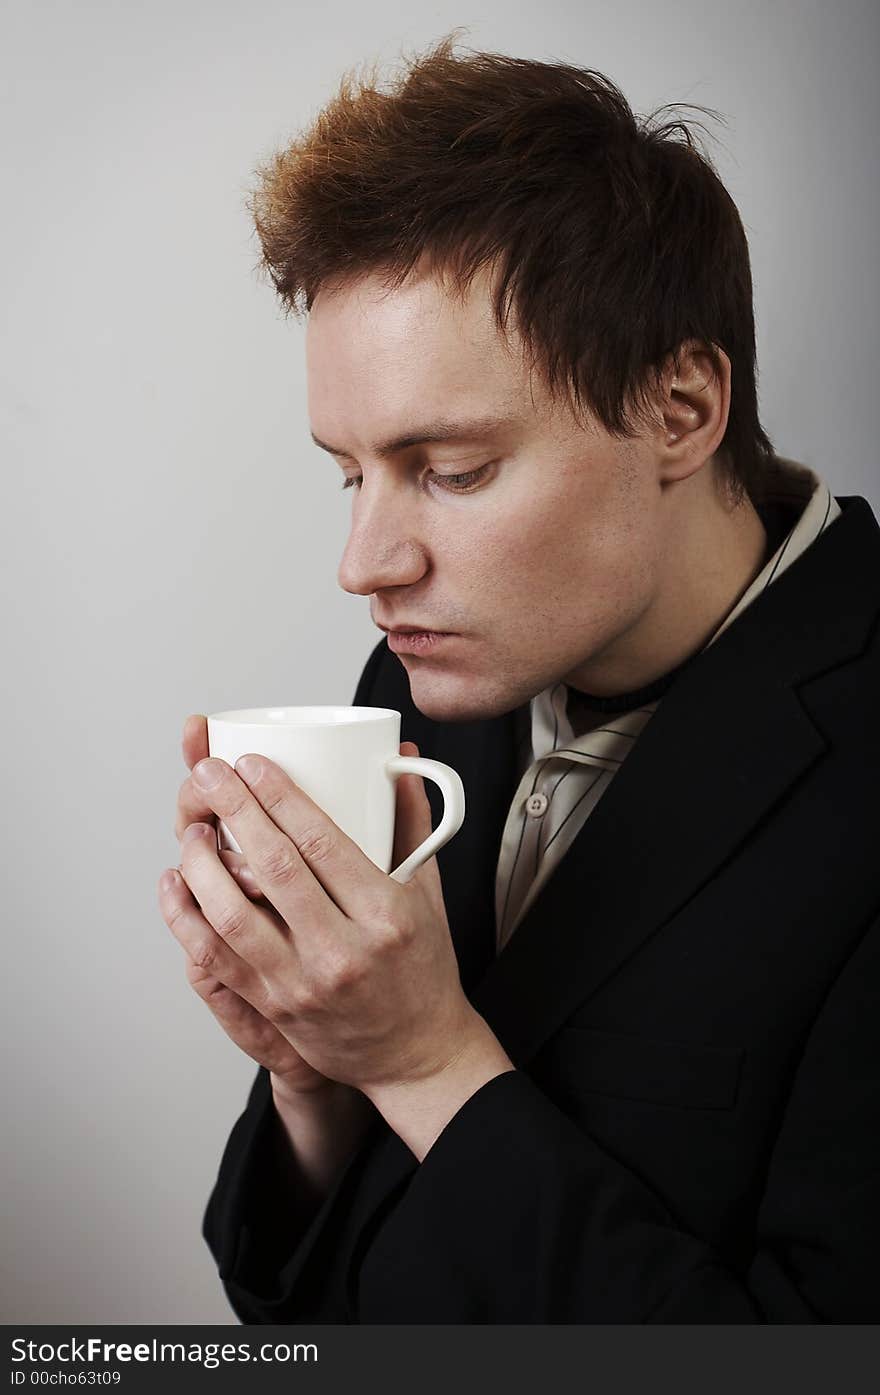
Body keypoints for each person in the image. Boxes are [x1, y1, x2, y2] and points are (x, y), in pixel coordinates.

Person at [158, 34, 880, 1322]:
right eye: (349, 471)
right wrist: (315, 1077)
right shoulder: (424, 673)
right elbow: (296, 1309)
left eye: (453, 470)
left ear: (679, 407)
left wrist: (425, 1061)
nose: (365, 563)